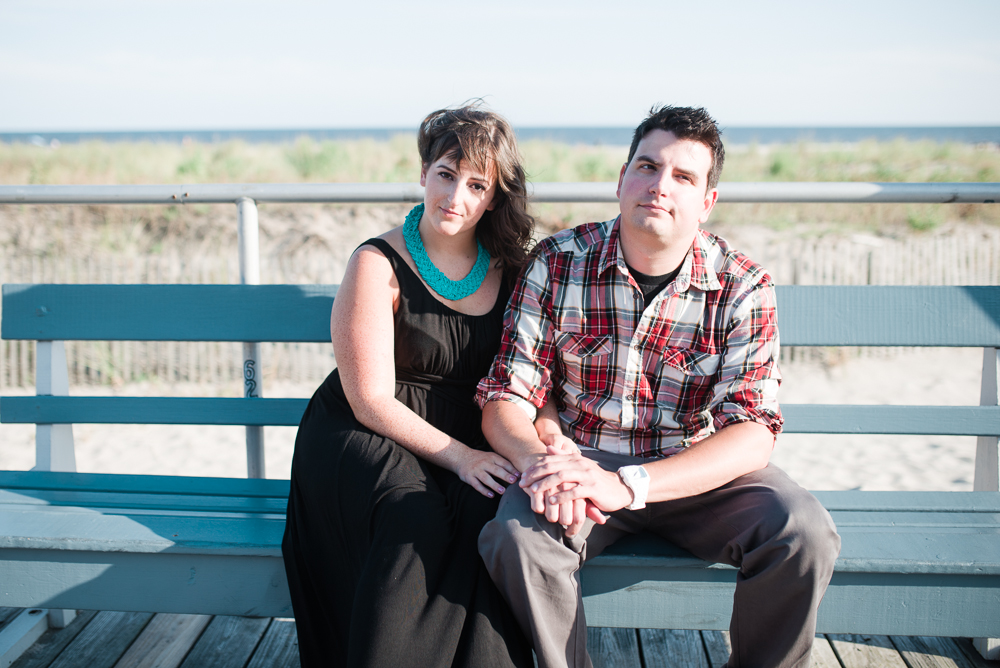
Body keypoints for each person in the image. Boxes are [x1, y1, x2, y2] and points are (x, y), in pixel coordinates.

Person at [475, 105, 842, 668]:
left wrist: (631, 484)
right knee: (514, 540)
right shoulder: (557, 263)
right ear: (622, 179)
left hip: (694, 473)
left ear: (707, 202)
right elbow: (507, 396)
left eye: (683, 177)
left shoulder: (742, 286)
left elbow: (753, 431)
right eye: (647, 167)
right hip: (581, 467)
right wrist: (541, 464)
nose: (659, 186)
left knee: (803, 533)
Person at [282, 104, 535, 668]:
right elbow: (368, 396)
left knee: (486, 517)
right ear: (424, 173)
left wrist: (495, 454)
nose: (456, 197)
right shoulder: (377, 263)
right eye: (446, 175)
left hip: (466, 436)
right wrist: (462, 457)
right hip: (366, 432)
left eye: (476, 185)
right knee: (410, 516)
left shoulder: (513, 271)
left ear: (493, 198)